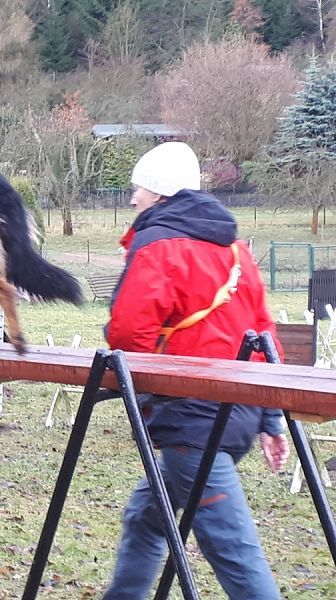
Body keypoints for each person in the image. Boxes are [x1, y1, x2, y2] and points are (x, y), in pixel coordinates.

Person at [102, 142, 290, 599]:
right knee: (147, 517)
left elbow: (129, 334)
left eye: (138, 189)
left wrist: (145, 395)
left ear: (160, 194)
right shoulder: (236, 250)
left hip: (191, 418)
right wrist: (269, 419)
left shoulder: (159, 245)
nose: (132, 199)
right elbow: (261, 333)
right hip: (238, 410)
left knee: (232, 549)